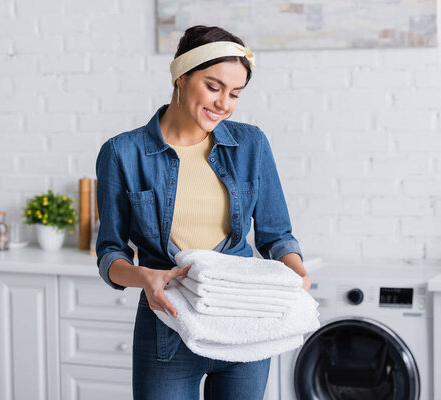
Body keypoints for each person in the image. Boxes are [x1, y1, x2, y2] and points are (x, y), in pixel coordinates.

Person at [95, 25, 310, 399]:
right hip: (168, 325)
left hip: (245, 325)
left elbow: (276, 236)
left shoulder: (251, 144)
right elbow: (110, 251)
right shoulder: (122, 153)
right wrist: (143, 277)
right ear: (181, 77)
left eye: (235, 94)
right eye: (214, 87)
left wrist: (297, 273)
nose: (224, 103)